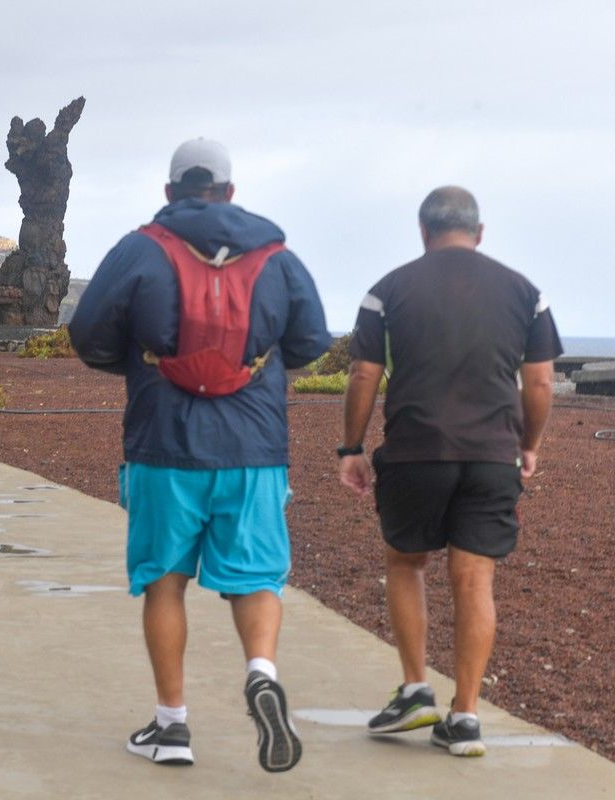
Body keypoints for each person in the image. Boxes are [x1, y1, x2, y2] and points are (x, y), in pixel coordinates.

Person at [70, 138, 331, 772]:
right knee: (257, 578)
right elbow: (312, 341)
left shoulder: (140, 248)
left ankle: (172, 727)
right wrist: (253, 372)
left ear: (169, 192)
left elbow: (88, 335)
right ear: (230, 192)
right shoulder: (276, 256)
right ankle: (261, 673)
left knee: (164, 582)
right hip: (254, 448)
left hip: (163, 443)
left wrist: (143, 365)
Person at [338, 186, 562, 757]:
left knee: (405, 563)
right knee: (474, 578)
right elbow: (539, 382)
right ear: (479, 232)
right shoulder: (525, 293)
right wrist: (528, 445)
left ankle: (416, 689)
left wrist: (352, 448)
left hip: (416, 451)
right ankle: (464, 717)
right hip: (492, 455)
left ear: (423, 232)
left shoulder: (388, 290)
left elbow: (364, 375)